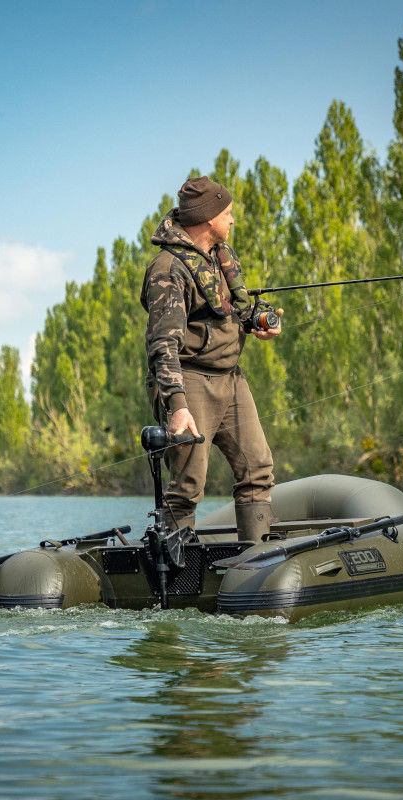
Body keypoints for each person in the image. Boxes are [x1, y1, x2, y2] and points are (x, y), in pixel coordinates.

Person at [141, 176, 283, 542]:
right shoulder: (167, 270)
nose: (233, 220)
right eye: (228, 213)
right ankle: (178, 573)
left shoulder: (219, 256)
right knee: (187, 486)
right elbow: (162, 345)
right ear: (208, 219)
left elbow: (225, 312)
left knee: (258, 469)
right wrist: (177, 406)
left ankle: (256, 561)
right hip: (188, 382)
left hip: (231, 379)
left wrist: (256, 323)